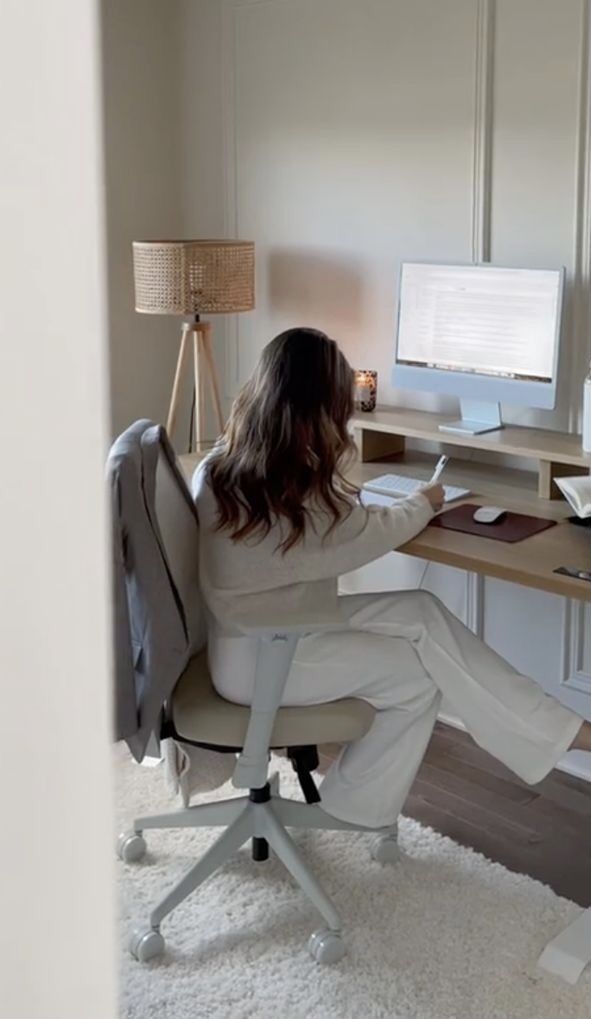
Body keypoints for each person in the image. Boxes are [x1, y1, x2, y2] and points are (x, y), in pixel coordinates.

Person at [192, 327, 591, 829]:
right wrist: (424, 500)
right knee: (419, 676)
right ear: (319, 409)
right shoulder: (289, 496)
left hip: (266, 628)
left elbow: (327, 535)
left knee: (422, 612)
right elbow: (365, 534)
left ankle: (564, 729)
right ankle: (352, 813)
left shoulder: (224, 468)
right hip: (268, 656)